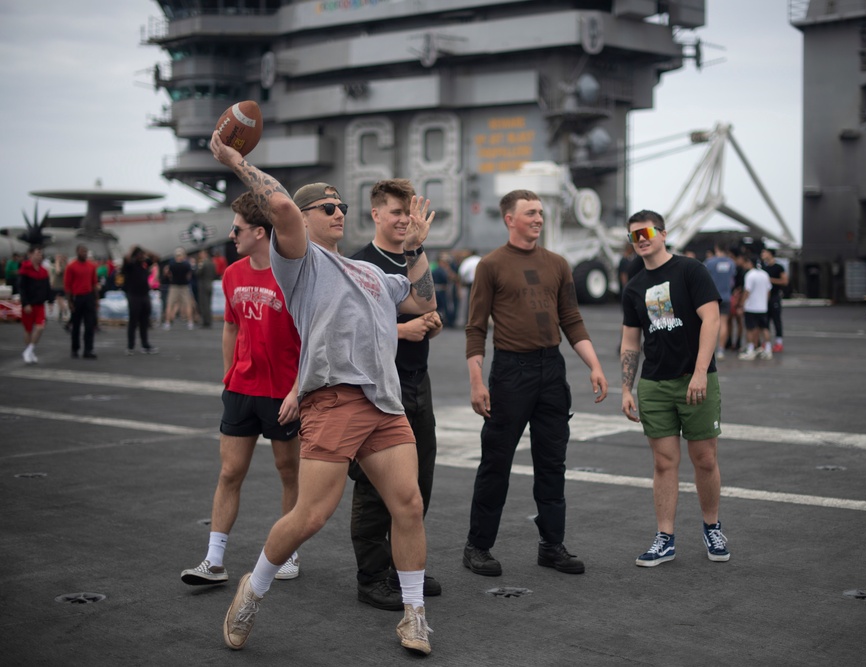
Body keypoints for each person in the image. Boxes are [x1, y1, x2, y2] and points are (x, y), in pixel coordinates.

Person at [209, 130, 437, 656]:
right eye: (327, 206)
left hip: (385, 403)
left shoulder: (370, 272)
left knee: (408, 503)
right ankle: (254, 588)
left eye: (342, 207)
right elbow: (283, 209)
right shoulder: (301, 264)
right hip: (333, 400)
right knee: (311, 516)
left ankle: (414, 616)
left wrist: (415, 245)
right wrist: (236, 160)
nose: (339, 212)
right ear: (306, 219)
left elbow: (422, 300)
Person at [463, 189, 608, 578]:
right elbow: (476, 328)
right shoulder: (491, 266)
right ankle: (477, 547)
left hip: (551, 371)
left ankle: (551, 545)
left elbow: (571, 320)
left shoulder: (558, 264)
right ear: (510, 219)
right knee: (496, 462)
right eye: (530, 213)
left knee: (552, 463)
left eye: (540, 212)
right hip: (511, 373)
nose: (539, 218)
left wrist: (593, 365)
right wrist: (477, 381)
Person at [181, 192, 304, 589]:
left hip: (283, 393)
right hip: (241, 389)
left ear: (259, 232)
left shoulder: (294, 276)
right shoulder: (232, 274)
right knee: (230, 472)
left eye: (237, 229)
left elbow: (315, 337)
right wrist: (228, 374)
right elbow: (231, 325)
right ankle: (214, 560)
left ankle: (288, 553)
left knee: (288, 472)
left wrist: (298, 391)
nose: (231, 235)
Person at [349, 179, 444, 611]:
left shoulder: (413, 257)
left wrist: (428, 321)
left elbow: (427, 304)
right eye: (396, 213)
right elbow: (349, 330)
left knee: (418, 484)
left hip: (415, 384)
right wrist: (401, 330)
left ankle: (404, 568)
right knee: (374, 488)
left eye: (410, 213)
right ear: (376, 214)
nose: (405, 220)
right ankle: (372, 577)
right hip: (376, 388)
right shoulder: (358, 264)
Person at [619, 210, 728, 567]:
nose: (641, 238)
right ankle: (664, 538)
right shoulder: (633, 286)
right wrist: (626, 388)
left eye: (647, 231)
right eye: (634, 235)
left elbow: (711, 319)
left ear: (663, 233)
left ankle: (712, 527)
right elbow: (630, 341)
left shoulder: (691, 271)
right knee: (664, 463)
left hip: (695, 379)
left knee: (705, 459)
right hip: (654, 384)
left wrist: (700, 372)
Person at [121, 246, 159, 355]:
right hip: (133, 295)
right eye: (140, 255)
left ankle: (145, 344)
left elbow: (156, 257)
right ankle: (130, 346)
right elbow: (126, 259)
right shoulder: (130, 265)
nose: (142, 257)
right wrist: (133, 250)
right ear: (135, 256)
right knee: (133, 321)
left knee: (144, 321)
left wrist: (145, 251)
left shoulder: (145, 264)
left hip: (144, 294)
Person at [64, 244, 99, 359]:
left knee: (90, 325)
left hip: (89, 297)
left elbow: (94, 284)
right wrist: (70, 302)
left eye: (85, 252)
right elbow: (68, 286)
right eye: (82, 251)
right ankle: (75, 349)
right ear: (77, 252)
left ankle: (88, 350)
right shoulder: (71, 266)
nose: (84, 254)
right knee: (76, 325)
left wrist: (96, 300)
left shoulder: (91, 266)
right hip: (77, 297)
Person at [18, 246, 52, 364]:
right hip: (29, 305)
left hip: (39, 304)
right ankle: (29, 352)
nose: (39, 256)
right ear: (30, 255)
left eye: (40, 254)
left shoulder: (44, 271)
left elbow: (47, 287)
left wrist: (51, 301)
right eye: (37, 253)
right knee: (28, 330)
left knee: (40, 327)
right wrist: (25, 303)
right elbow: (21, 288)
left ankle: (29, 350)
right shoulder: (25, 269)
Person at [736, 254, 772, 359]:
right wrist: (765, 302)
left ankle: (751, 349)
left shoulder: (750, 275)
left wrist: (741, 304)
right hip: (763, 307)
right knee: (765, 328)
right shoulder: (765, 274)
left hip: (751, 307)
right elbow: (768, 291)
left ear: (750, 263)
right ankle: (768, 349)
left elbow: (747, 291)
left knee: (750, 329)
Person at [703, 243, 735, 359]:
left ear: (716, 249)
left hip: (711, 297)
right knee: (724, 323)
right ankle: (721, 349)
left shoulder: (710, 262)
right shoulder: (731, 263)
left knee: (709, 323)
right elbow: (732, 280)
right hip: (726, 296)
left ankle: (709, 350)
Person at [760, 248, 787, 352]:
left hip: (775, 297)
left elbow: (784, 281)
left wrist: (770, 280)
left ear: (770, 254)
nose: (762, 254)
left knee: (776, 320)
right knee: (764, 321)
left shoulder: (778, 267)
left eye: (764, 252)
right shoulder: (763, 267)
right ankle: (766, 342)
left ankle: (779, 342)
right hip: (764, 298)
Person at [164, 248, 196, 330]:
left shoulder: (172, 264)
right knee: (188, 304)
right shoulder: (186, 264)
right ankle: (190, 322)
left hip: (174, 285)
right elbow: (189, 274)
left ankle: (167, 322)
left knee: (170, 304)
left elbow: (167, 273)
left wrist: (171, 278)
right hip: (184, 286)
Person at [195, 248, 217, 328]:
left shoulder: (203, 263)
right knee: (208, 303)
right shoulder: (212, 263)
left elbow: (198, 273)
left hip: (203, 285)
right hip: (210, 284)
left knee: (204, 304)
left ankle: (205, 322)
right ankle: (208, 320)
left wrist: (198, 266)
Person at [50, 253, 69, 325]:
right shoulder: (62, 265)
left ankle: (65, 310)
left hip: (60, 286)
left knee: (60, 300)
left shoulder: (63, 266)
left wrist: (57, 262)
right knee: (59, 300)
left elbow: (58, 271)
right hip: (57, 285)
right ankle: (60, 313)